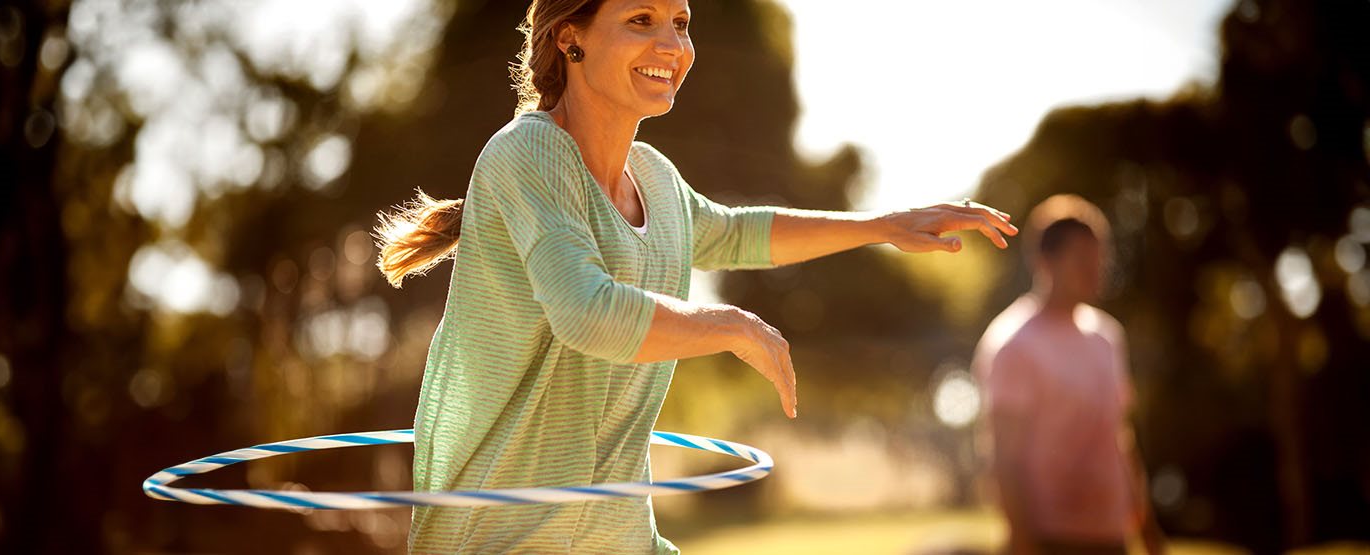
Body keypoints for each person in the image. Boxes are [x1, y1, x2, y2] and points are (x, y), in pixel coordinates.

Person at [375, 0, 1018, 552]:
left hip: (616, 537)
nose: (672, 44)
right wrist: (730, 324)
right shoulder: (529, 153)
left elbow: (739, 232)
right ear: (571, 36)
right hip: (506, 539)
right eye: (642, 20)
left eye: (681, 23)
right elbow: (586, 313)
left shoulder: (654, 177)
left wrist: (881, 224)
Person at [973, 195, 1165, 555]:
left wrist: (1150, 535)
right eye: (1082, 258)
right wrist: (1025, 544)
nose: (1096, 268)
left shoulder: (1107, 336)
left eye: (1100, 257)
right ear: (1045, 261)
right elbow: (1004, 459)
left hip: (1110, 539)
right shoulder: (1014, 343)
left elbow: (1120, 439)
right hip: (1050, 540)